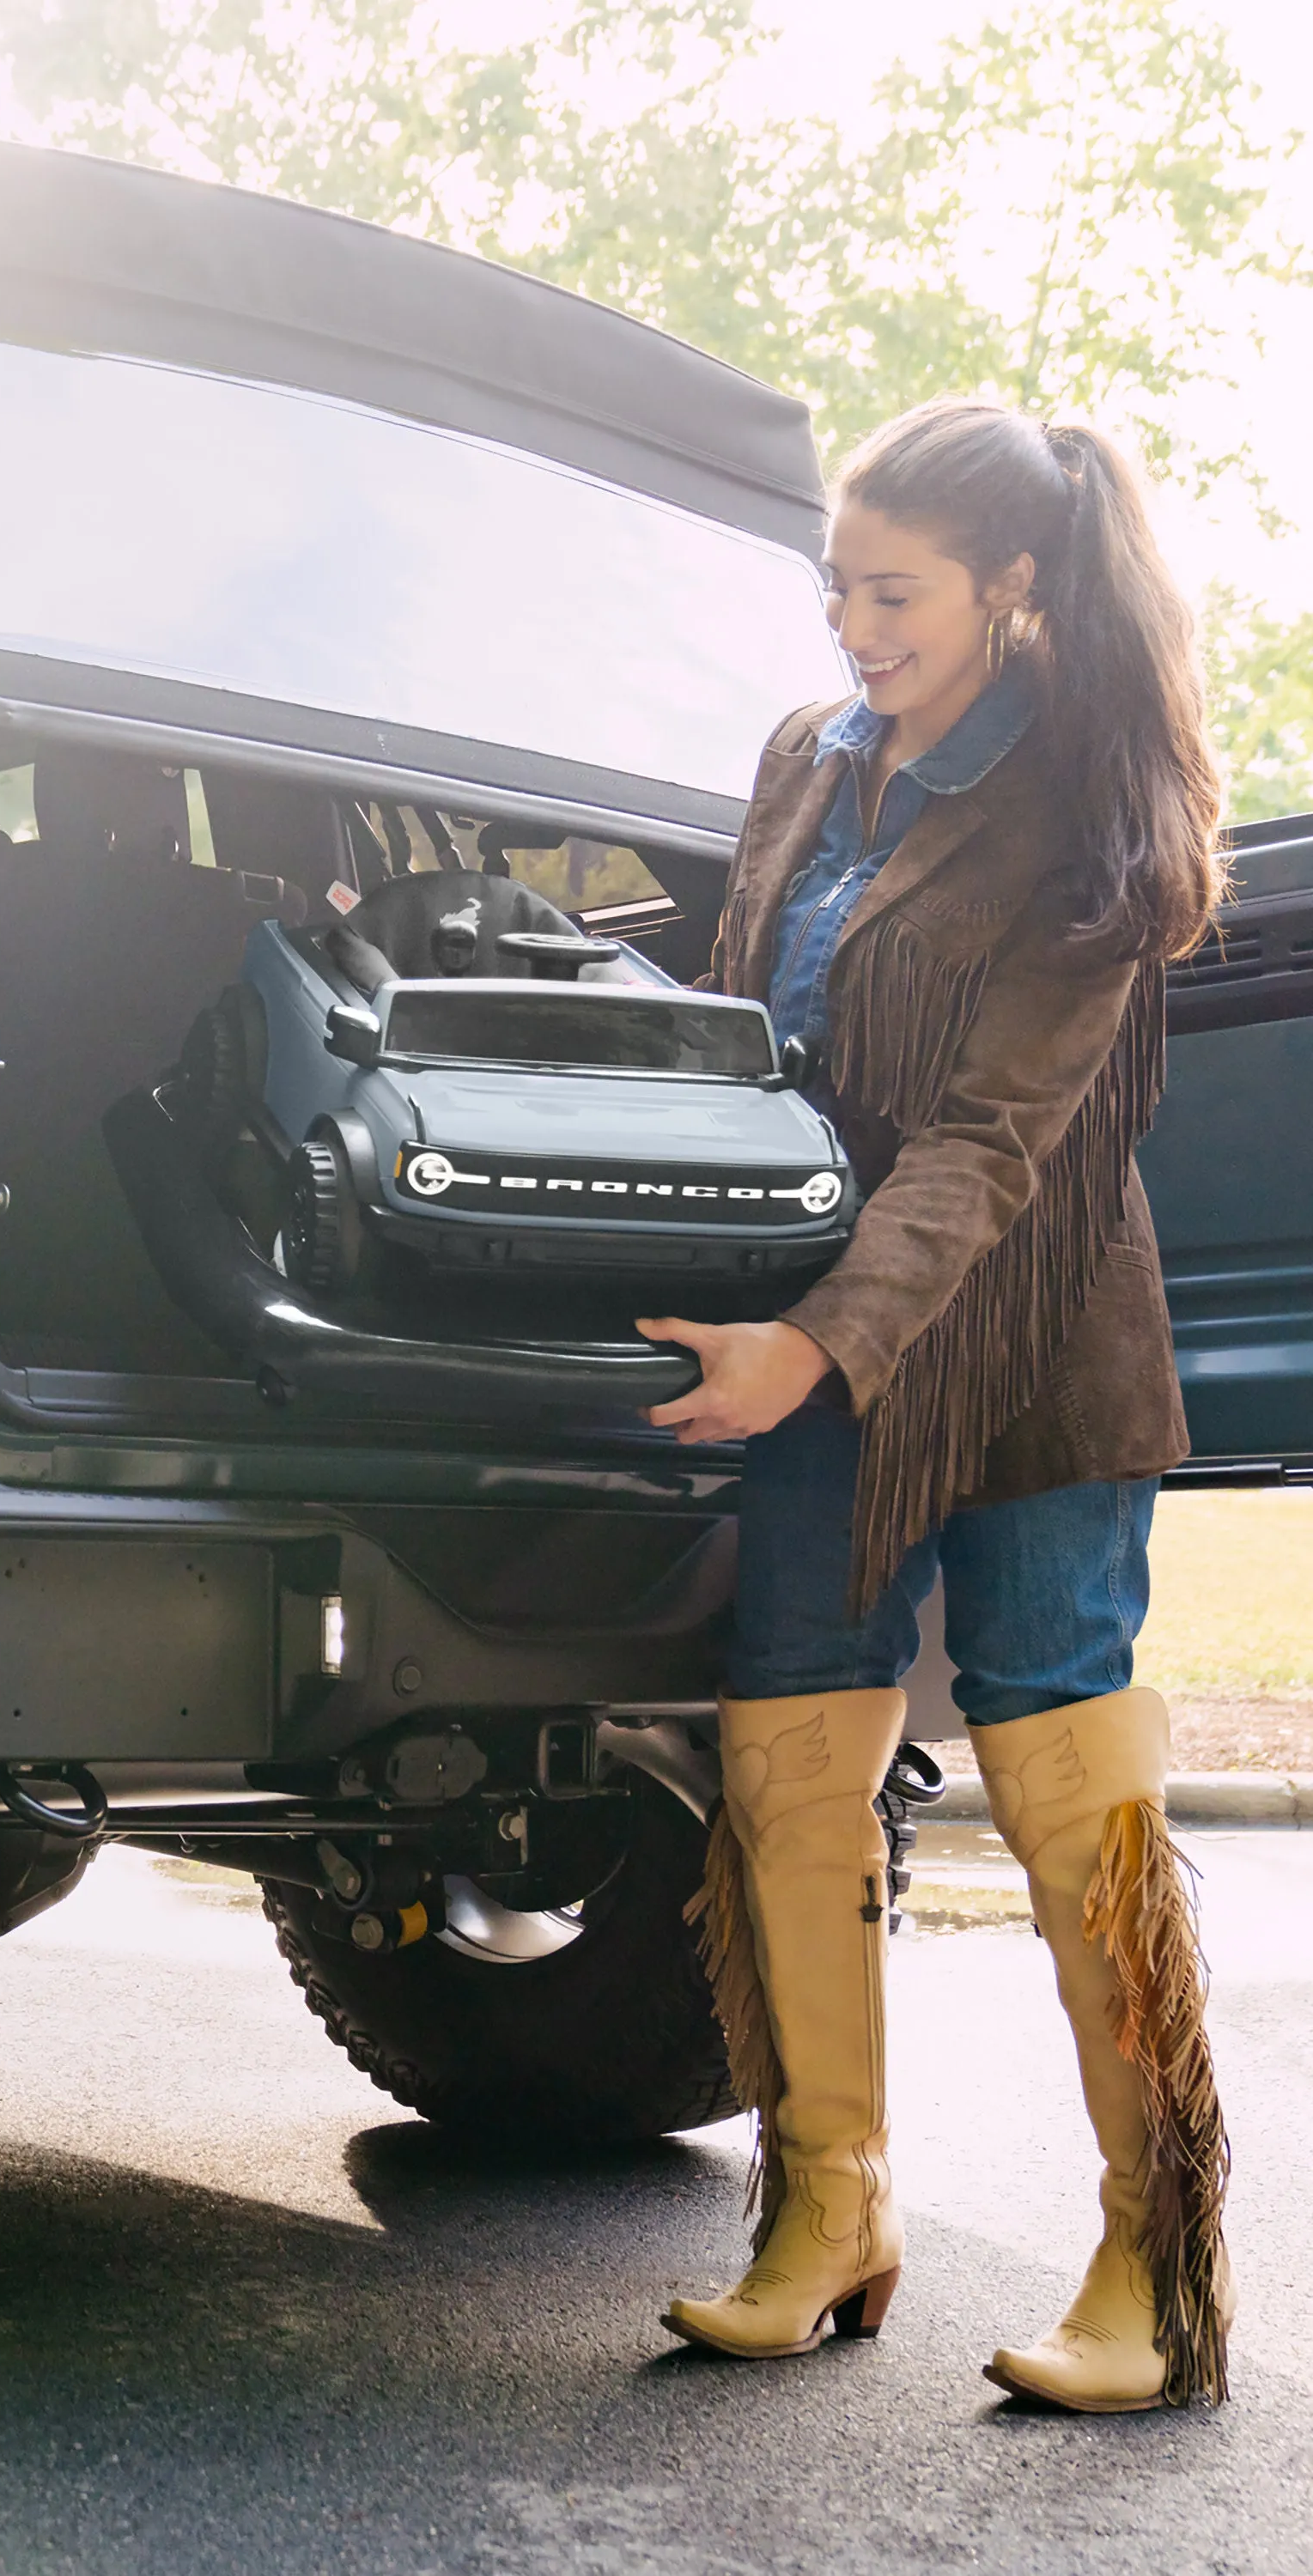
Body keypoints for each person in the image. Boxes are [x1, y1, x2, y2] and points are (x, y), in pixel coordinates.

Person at [638, 400, 1231, 2414]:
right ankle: (827, 2210)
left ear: (1013, 586)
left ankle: (1157, 2257)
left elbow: (992, 1144)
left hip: (1036, 1354)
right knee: (793, 1734)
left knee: (1070, 1761)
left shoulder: (1094, 802)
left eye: (890, 593)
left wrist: (818, 1343)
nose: (851, 627)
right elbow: (748, 1025)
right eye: (835, 586)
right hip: (816, 1337)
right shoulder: (807, 762)